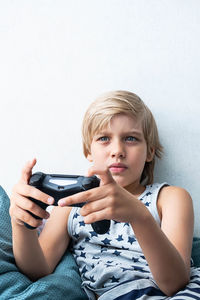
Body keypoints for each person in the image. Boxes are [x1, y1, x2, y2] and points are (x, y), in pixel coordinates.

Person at [10, 90, 199, 300]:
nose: (117, 150)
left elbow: (175, 283)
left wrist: (140, 216)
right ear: (88, 152)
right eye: (104, 138)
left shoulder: (170, 198)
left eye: (131, 138)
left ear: (150, 152)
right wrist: (22, 224)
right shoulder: (70, 207)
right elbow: (38, 270)